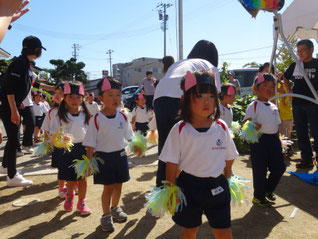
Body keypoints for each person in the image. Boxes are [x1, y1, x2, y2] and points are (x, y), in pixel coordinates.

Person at [159, 70, 238, 239]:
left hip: (218, 185)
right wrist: (171, 189)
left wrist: (228, 178)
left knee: (224, 230)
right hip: (189, 187)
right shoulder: (180, 129)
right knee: (190, 228)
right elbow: (171, 163)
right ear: (185, 100)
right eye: (199, 96)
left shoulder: (222, 127)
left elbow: (229, 156)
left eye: (211, 96)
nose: (206, 101)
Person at [154, 39, 220, 187]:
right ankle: (188, 186)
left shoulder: (181, 62)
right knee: (191, 144)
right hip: (182, 97)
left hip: (160, 97)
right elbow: (214, 96)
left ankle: (160, 195)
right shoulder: (209, 67)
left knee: (166, 147)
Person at [83, 77, 133, 232]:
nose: (115, 98)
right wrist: (89, 163)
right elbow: (90, 142)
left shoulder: (123, 116)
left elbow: (129, 136)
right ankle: (105, 215)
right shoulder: (96, 118)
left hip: (120, 156)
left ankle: (115, 208)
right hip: (104, 158)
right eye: (110, 95)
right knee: (108, 187)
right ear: (101, 98)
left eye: (118, 94)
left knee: (119, 184)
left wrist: (137, 146)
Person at [0, 35, 45, 186]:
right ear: (36, 50)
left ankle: (6, 167)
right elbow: (9, 87)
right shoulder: (20, 63)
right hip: (8, 105)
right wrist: (14, 109)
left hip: (13, 104)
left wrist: (18, 104)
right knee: (13, 140)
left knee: (13, 138)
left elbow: (17, 88)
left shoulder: (23, 63)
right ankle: (12, 177)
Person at [244, 73, 286, 207]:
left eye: (272, 86)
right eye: (265, 85)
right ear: (256, 88)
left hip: (274, 140)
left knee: (280, 167)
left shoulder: (274, 107)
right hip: (259, 142)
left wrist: (279, 140)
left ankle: (267, 190)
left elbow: (277, 125)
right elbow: (245, 123)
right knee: (260, 171)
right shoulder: (253, 105)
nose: (269, 89)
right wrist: (253, 126)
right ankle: (259, 196)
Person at [50, 81, 91, 215]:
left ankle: (82, 202)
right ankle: (69, 196)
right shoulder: (60, 115)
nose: (75, 100)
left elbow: (91, 133)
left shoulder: (86, 115)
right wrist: (60, 140)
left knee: (83, 179)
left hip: (83, 151)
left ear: (83, 98)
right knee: (72, 180)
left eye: (78, 97)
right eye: (71, 97)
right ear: (65, 98)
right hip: (67, 151)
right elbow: (53, 134)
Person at [283, 39, 318, 169]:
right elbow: (285, 78)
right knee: (301, 133)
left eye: (303, 50)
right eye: (298, 51)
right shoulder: (295, 65)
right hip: (298, 104)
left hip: (314, 104)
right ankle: (307, 159)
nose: (300, 53)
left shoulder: (317, 64)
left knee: (316, 132)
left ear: (311, 49)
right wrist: (289, 91)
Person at [41, 82, 67, 198]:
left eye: (60, 93)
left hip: (70, 144)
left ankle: (74, 185)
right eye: (55, 93)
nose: (56, 95)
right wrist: (47, 144)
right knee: (61, 168)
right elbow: (46, 129)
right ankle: (61, 188)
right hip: (57, 145)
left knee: (72, 166)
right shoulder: (51, 112)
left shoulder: (72, 111)